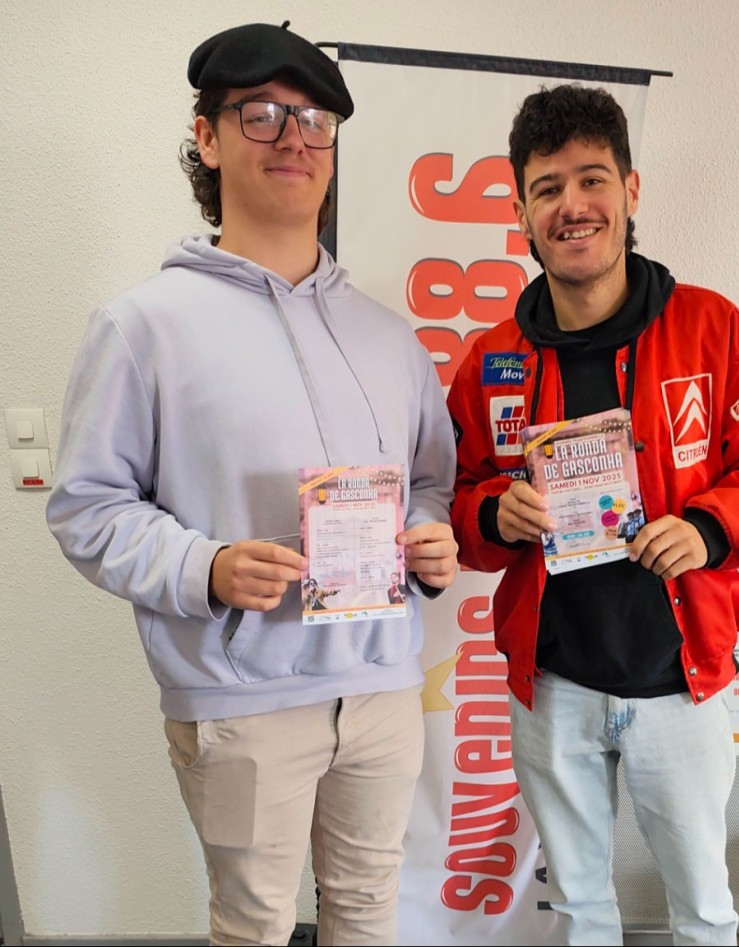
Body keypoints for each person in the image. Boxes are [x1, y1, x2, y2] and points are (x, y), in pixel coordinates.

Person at [46, 21, 458, 947]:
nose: (293, 139)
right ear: (208, 136)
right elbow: (87, 507)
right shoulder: (142, 327)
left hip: (383, 689)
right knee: (253, 926)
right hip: (240, 696)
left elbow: (432, 479)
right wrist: (208, 566)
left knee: (369, 912)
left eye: (314, 121)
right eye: (261, 114)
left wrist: (430, 537)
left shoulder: (388, 336)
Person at [446, 84, 739, 946]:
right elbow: (458, 497)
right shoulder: (491, 358)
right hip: (551, 686)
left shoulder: (713, 329)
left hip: (678, 685)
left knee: (704, 911)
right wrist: (495, 513)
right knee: (578, 908)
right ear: (520, 211)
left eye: (591, 179)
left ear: (630, 190)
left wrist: (708, 528)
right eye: (546, 188)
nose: (571, 205)